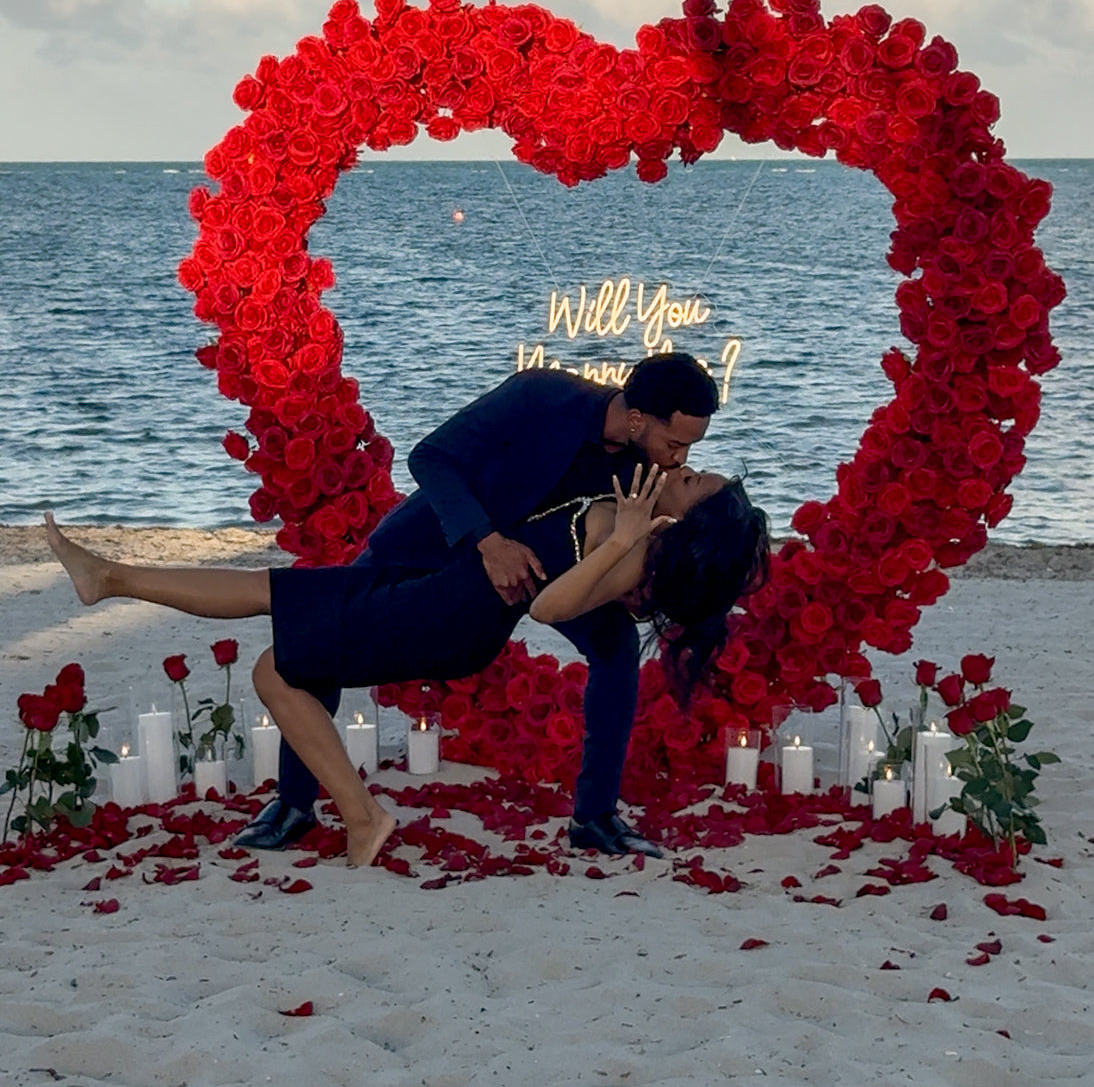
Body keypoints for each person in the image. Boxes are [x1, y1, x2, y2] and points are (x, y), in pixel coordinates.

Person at [45, 462, 768, 868]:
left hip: (447, 616)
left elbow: (547, 608)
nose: (692, 469)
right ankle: (108, 577)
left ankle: (363, 817)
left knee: (271, 645)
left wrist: (619, 539)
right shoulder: (633, 517)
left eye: (699, 483)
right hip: (443, 598)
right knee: (272, 623)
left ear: (691, 520)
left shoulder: (632, 544)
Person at [241, 352, 725, 856]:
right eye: (676, 443)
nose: (680, 459)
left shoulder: (650, 466)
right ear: (637, 419)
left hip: (542, 577)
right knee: (322, 644)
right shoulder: (542, 395)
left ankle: (595, 817)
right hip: (435, 541)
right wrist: (489, 543)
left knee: (617, 645)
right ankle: (294, 805)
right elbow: (430, 457)